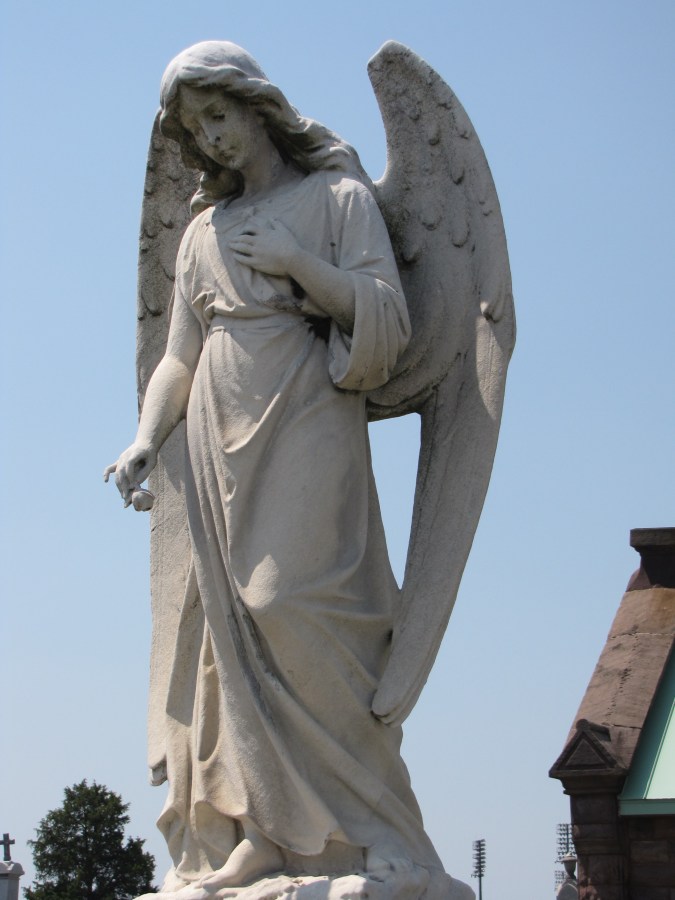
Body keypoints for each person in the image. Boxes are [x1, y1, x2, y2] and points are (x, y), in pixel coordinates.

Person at [107, 41, 449, 897]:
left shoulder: (336, 198)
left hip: (306, 410)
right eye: (196, 128)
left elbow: (385, 317)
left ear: (258, 105)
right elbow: (178, 355)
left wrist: (299, 266)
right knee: (233, 634)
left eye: (219, 115)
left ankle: (381, 831)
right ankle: (267, 831)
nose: (212, 137)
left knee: (287, 603)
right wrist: (146, 437)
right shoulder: (201, 233)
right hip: (214, 429)